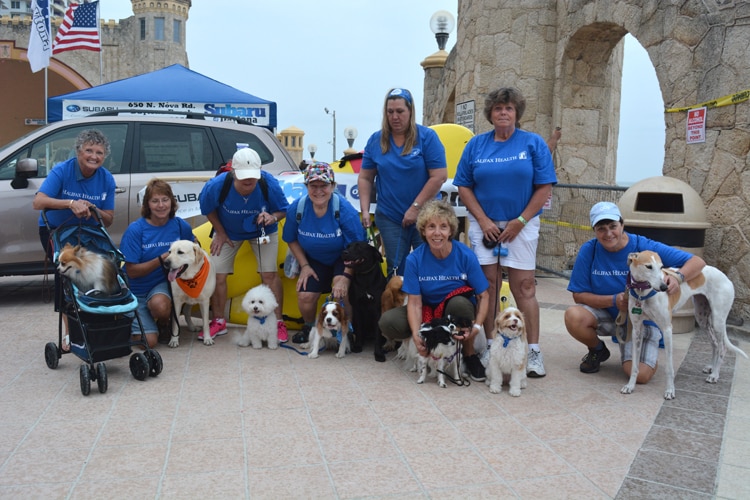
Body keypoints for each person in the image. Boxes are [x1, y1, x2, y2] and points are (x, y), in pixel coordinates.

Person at [454, 86, 558, 378]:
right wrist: (484, 220)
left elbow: (544, 187)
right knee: (487, 286)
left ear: (516, 113)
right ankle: (490, 346)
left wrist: (520, 222)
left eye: (509, 108)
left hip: (522, 225)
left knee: (524, 287)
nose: (503, 113)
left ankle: (533, 351)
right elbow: (464, 185)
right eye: (498, 108)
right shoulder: (476, 145)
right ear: (490, 113)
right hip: (484, 224)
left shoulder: (533, 143)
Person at [565, 201, 706, 382]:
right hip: (611, 316)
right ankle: (598, 350)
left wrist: (679, 277)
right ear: (594, 230)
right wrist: (614, 300)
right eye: (601, 229)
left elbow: (697, 262)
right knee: (574, 316)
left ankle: (647, 350)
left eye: (613, 226)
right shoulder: (589, 250)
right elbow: (578, 295)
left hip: (643, 320)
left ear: (622, 225)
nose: (608, 233)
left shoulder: (643, 247)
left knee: (640, 376)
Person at [379, 199, 490, 381]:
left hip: (454, 309)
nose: (437, 233)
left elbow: (483, 295)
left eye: (443, 227)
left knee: (460, 304)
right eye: (431, 227)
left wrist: (477, 327)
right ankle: (426, 350)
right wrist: (417, 335)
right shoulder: (414, 259)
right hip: (427, 309)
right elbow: (414, 303)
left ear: (451, 230)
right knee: (388, 321)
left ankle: (469, 354)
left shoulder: (465, 255)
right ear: (423, 231)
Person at [32, 129, 117, 352]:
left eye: (99, 152)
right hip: (57, 231)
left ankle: (98, 329)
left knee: (97, 275)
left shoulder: (106, 178)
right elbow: (38, 202)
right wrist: (70, 203)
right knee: (68, 277)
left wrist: (93, 208)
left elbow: (108, 220)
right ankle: (71, 334)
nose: (93, 156)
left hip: (89, 233)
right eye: (89, 150)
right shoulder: (62, 170)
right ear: (78, 151)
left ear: (104, 156)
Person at [199, 147, 289, 341]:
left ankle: (278, 322)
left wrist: (272, 217)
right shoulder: (216, 186)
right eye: (243, 176)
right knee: (217, 273)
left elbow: (283, 210)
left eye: (252, 176)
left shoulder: (268, 183)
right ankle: (218, 321)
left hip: (263, 231)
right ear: (233, 172)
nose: (248, 181)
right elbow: (207, 209)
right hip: (229, 232)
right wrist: (220, 232)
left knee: (269, 274)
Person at [358, 87, 448, 277]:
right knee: (396, 268)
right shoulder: (375, 140)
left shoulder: (427, 137)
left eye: (400, 111)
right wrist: (365, 210)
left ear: (410, 111)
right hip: (391, 216)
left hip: (426, 215)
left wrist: (415, 208)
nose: (395, 117)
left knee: (430, 265)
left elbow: (439, 176)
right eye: (390, 112)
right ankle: (400, 298)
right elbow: (365, 177)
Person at [282, 162, 366, 344]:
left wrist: (345, 277)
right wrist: (304, 266)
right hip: (315, 260)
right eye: (313, 185)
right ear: (306, 186)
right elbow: (290, 238)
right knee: (305, 295)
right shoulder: (297, 209)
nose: (318, 191)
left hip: (344, 259)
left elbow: (357, 248)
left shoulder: (345, 211)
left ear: (333, 186)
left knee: (341, 291)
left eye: (324, 185)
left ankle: (347, 332)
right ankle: (309, 327)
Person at [120, 179, 195, 348]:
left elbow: (192, 253)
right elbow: (132, 272)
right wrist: (162, 259)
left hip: (161, 285)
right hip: (136, 291)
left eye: (165, 200)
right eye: (155, 201)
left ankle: (164, 323)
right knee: (148, 343)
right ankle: (129, 322)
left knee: (160, 305)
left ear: (172, 202)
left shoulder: (181, 226)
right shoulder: (136, 230)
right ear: (147, 204)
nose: (161, 205)